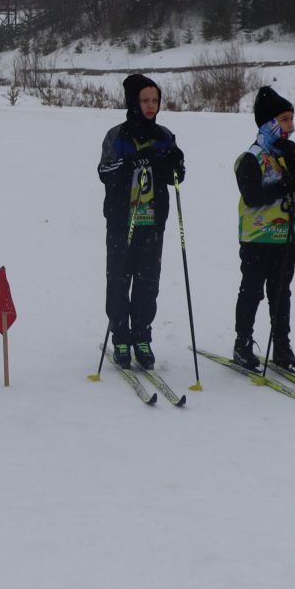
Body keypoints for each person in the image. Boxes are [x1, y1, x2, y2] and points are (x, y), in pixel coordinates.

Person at [96, 73, 184, 370]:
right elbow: (105, 172)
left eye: (155, 101)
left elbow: (176, 177)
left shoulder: (163, 135)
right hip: (122, 220)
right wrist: (129, 164)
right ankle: (120, 335)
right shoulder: (117, 136)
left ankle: (142, 335)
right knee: (119, 278)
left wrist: (174, 163)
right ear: (133, 102)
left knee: (148, 282)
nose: (151, 106)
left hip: (152, 221)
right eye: (145, 100)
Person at [232, 85, 295, 372]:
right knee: (253, 290)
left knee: (282, 292)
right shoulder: (251, 157)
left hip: (286, 234)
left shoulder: (289, 151)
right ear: (269, 123)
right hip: (256, 235)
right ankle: (243, 343)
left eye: (292, 119)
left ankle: (281, 344)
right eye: (285, 119)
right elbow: (252, 196)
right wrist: (284, 184)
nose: (291, 126)